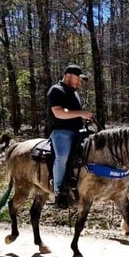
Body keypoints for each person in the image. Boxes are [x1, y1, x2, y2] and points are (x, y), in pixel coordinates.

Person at [45, 64, 93, 208]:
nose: (79, 82)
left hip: (78, 131)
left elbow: (73, 112)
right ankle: (59, 193)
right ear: (68, 75)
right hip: (61, 132)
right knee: (63, 157)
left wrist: (84, 117)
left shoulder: (74, 92)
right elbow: (58, 112)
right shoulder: (56, 90)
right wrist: (80, 113)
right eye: (78, 78)